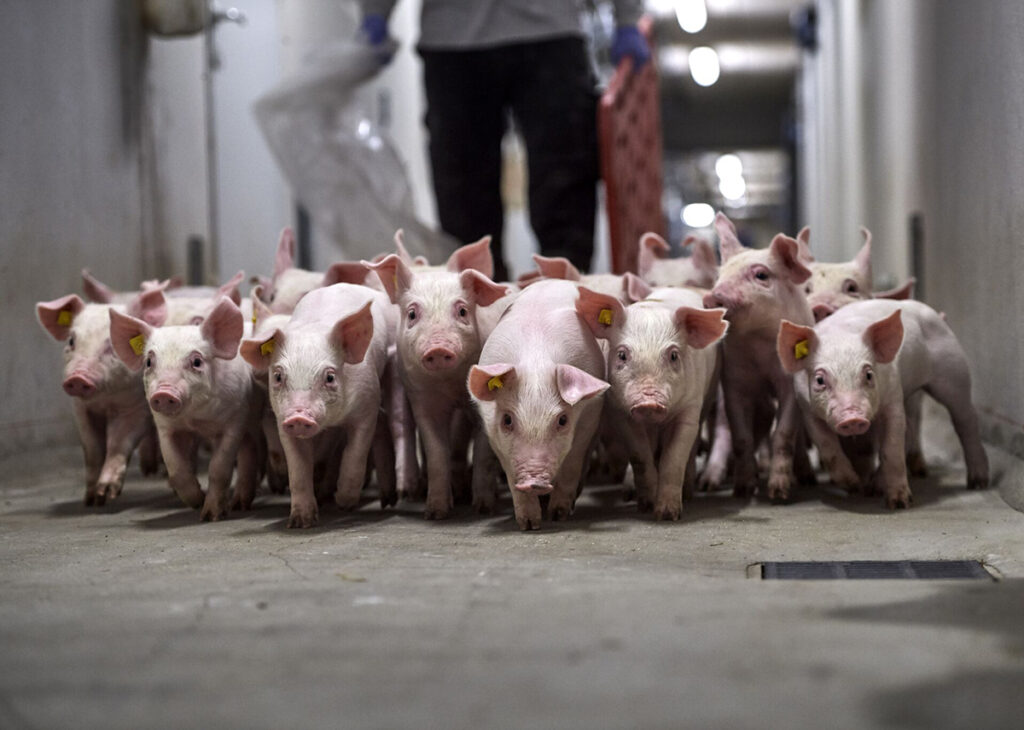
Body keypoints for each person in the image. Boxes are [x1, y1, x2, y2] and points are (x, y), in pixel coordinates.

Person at [359, 0, 650, 281]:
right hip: (454, 41)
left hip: (548, 32)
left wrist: (628, 18)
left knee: (564, 185)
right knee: (464, 202)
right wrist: (375, 11)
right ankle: (474, 298)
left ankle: (567, 296)